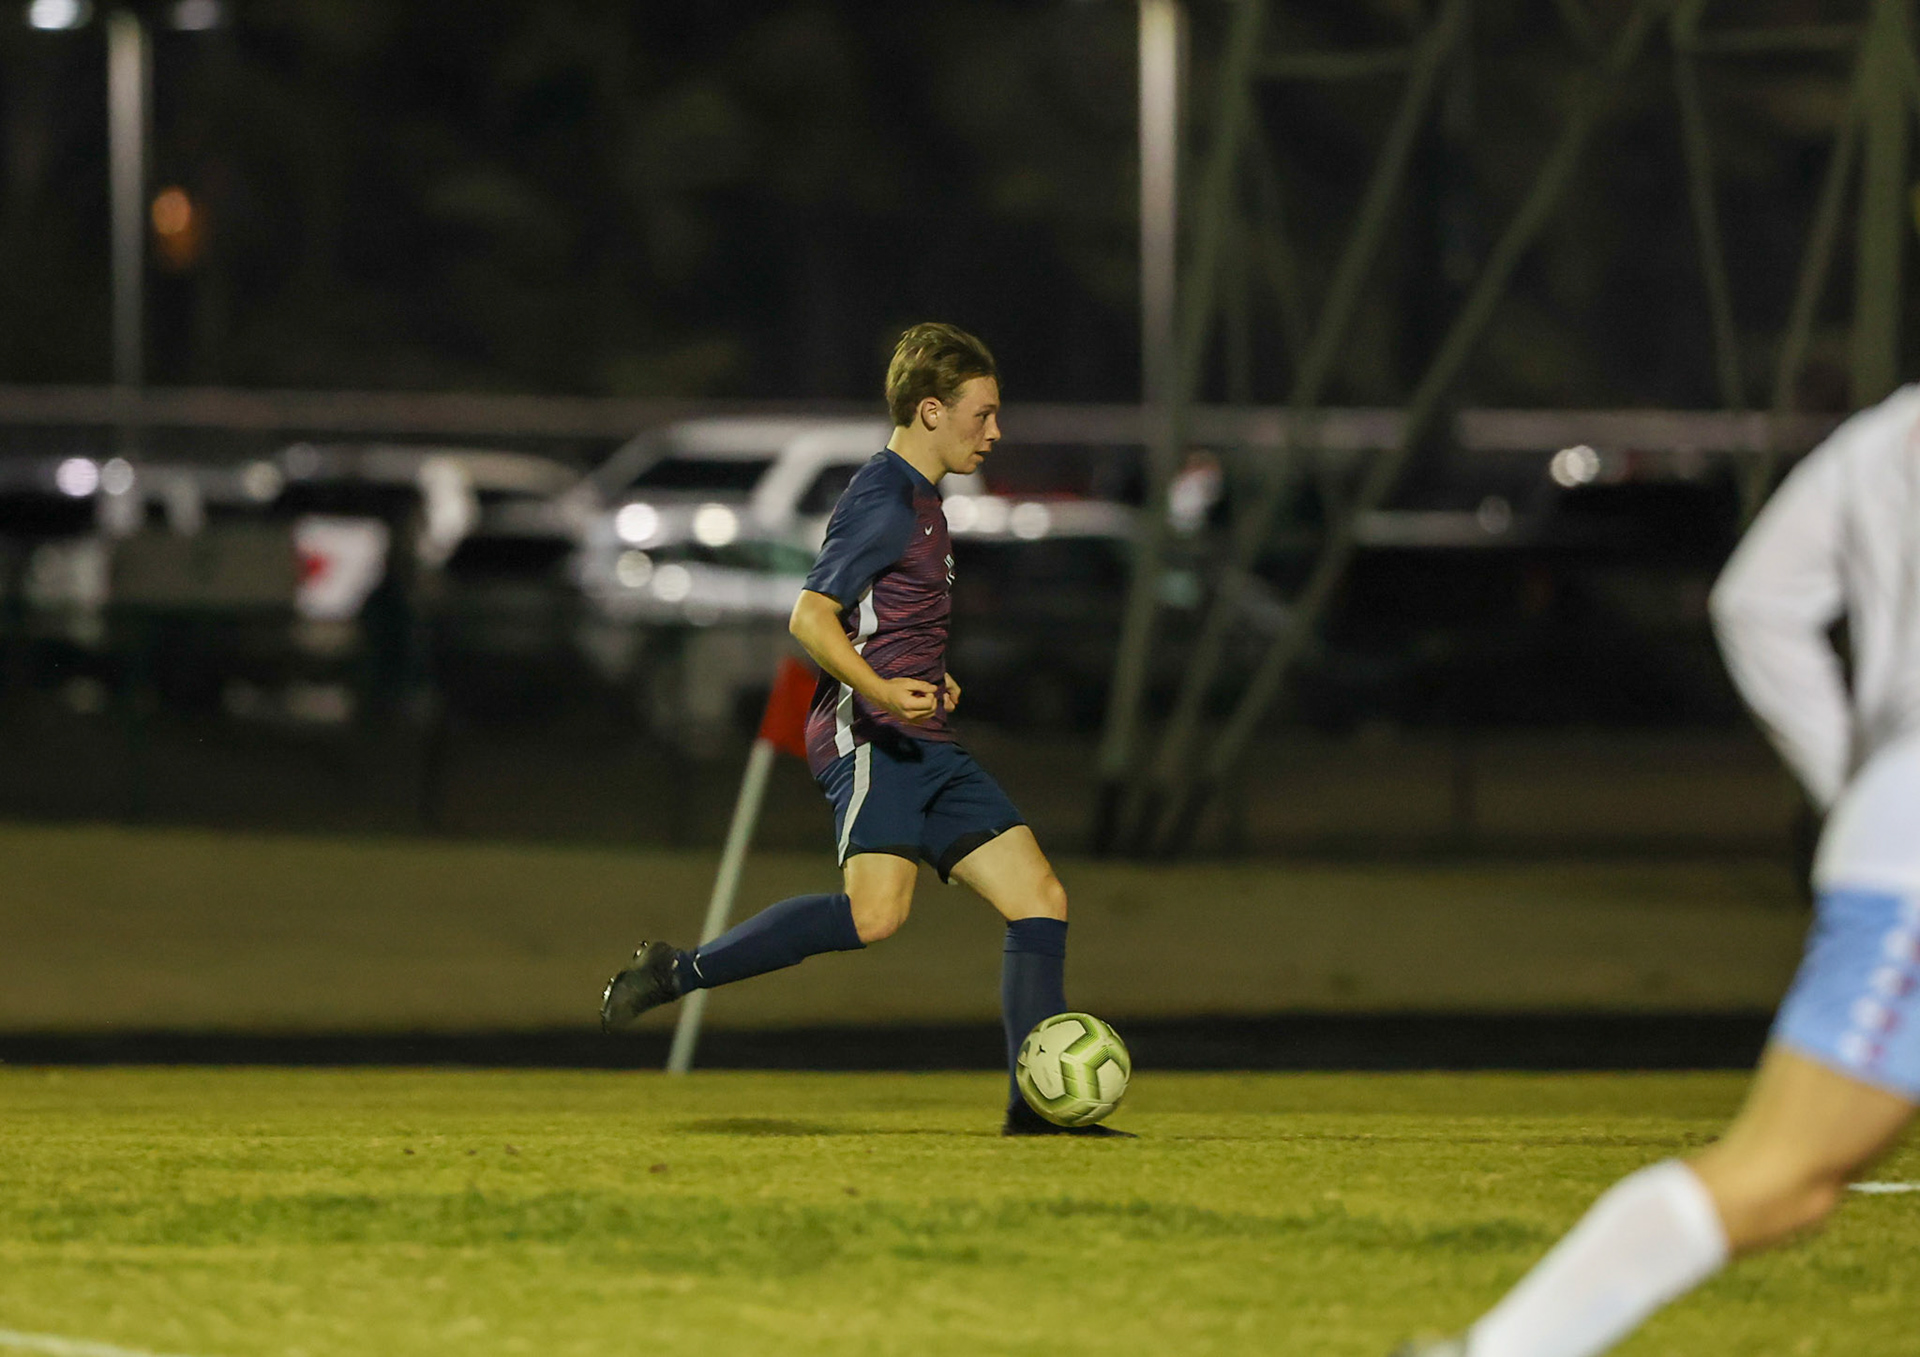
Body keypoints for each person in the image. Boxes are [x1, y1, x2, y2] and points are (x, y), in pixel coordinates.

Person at [1397, 389, 1920, 1356]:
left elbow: (1757, 601)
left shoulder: (1887, 433)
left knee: (1785, 1177)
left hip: (1901, 824)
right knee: (1780, 1175)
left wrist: (1857, 780)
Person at [599, 322, 1131, 1138]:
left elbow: (883, 615)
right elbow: (810, 617)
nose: (997, 433)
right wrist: (883, 683)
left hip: (925, 738)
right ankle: (678, 970)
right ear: (930, 410)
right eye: (982, 415)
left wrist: (925, 667)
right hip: (872, 738)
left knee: (1040, 898)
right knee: (875, 916)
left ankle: (1037, 1109)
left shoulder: (922, 498)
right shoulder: (883, 496)